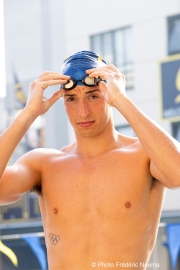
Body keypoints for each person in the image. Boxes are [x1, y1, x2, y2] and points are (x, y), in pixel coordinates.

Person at [0, 50, 180, 270]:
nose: (82, 112)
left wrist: (123, 100)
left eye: (93, 96)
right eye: (71, 99)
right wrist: (28, 113)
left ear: (109, 95)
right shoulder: (44, 164)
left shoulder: (144, 155)